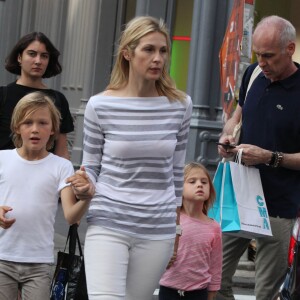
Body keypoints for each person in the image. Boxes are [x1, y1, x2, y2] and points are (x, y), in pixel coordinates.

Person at [78, 15, 192, 300]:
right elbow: (91, 164)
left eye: (163, 51)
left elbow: (177, 171)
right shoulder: (100, 105)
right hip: (108, 221)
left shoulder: (180, 105)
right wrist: (84, 183)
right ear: (127, 53)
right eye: (149, 50)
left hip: (157, 228)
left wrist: (177, 227)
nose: (158, 58)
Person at [216, 15, 300, 300]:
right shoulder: (252, 73)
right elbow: (236, 118)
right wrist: (227, 138)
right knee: (215, 279)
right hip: (239, 196)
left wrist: (270, 157)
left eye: (269, 56)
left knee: (266, 293)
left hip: (278, 205)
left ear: (290, 49)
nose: (262, 62)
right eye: (257, 55)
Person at [0, 91, 95, 300]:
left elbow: (71, 216)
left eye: (43, 123)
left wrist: (87, 197)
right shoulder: (2, 159)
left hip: (39, 263)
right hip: (2, 258)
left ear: (53, 129)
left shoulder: (61, 166)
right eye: (28, 122)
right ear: (17, 126)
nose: (35, 129)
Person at [0, 31, 74, 159]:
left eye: (44, 56)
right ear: (19, 57)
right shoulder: (2, 95)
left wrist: (65, 175)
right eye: (32, 54)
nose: (38, 61)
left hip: (45, 176)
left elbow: (61, 151)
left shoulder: (58, 99)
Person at [159, 162, 222, 300]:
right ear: (179, 188)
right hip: (169, 289)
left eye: (204, 182)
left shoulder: (214, 227)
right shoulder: (170, 219)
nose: (199, 185)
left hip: (198, 292)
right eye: (192, 181)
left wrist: (212, 292)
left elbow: (215, 264)